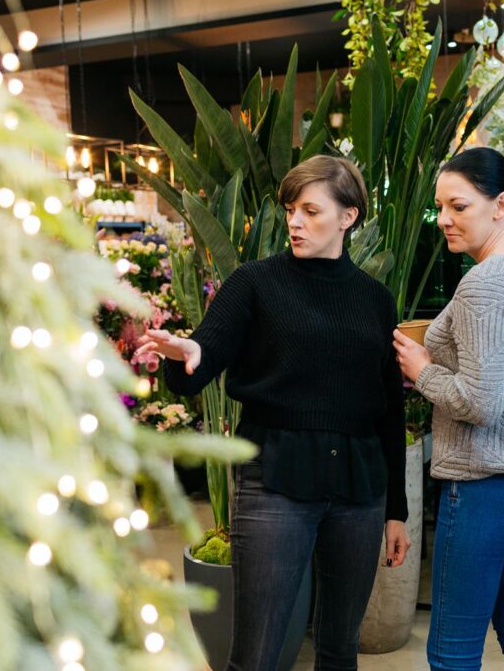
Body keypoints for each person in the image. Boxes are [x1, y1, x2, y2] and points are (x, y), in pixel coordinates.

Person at [141, 155, 411, 671]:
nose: (295, 222)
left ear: (348, 217)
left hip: (359, 491)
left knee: (340, 651)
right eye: (291, 210)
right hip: (274, 483)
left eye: (310, 210)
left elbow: (389, 409)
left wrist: (395, 509)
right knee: (256, 656)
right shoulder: (255, 282)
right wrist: (186, 355)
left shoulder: (376, 299)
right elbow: (202, 358)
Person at [393, 147, 504, 671]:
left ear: (501, 205)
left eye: (459, 206)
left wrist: (422, 369)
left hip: (483, 484)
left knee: (452, 652)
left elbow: (479, 402)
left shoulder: (485, 282)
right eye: (440, 207)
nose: (444, 219)